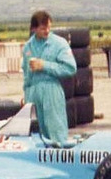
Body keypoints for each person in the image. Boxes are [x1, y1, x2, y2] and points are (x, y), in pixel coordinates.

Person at [22, 10, 77, 146]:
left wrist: (45, 65)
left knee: (56, 130)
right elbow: (26, 73)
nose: (47, 31)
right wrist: (25, 94)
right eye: (42, 28)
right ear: (34, 28)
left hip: (51, 90)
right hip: (33, 92)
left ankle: (60, 157)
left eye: (48, 27)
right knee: (36, 133)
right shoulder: (28, 47)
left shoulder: (59, 44)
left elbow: (70, 68)